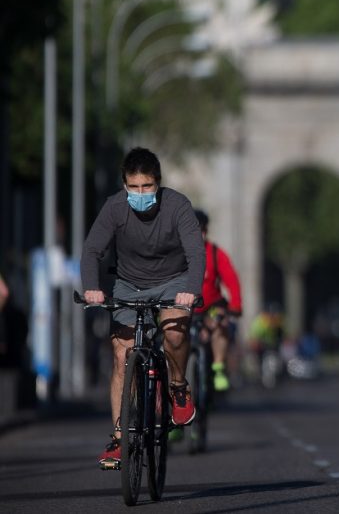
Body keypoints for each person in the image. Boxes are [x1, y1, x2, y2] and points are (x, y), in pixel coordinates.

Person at [82, 147, 205, 466]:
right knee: (122, 354)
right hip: (128, 283)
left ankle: (178, 387)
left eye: (147, 187)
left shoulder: (178, 206)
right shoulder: (114, 208)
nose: (140, 193)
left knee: (175, 333)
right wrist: (92, 288)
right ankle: (120, 437)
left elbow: (196, 254)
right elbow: (93, 250)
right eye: (133, 187)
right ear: (124, 185)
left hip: (173, 281)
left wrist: (190, 291)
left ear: (158, 183)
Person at [193, 210, 243, 392]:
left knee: (220, 324)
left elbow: (231, 280)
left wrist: (236, 305)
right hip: (185, 306)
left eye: (202, 231)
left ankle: (218, 366)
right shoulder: (176, 254)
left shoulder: (215, 253)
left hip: (211, 305)